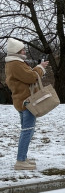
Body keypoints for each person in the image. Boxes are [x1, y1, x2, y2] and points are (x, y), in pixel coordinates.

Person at [4, 37, 50, 171]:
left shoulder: (14, 63)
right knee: (27, 131)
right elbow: (31, 77)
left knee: (27, 130)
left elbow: (27, 75)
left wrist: (38, 68)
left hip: (22, 101)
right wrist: (40, 68)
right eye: (22, 50)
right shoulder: (15, 64)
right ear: (16, 51)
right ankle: (21, 160)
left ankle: (22, 157)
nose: (24, 52)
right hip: (27, 102)